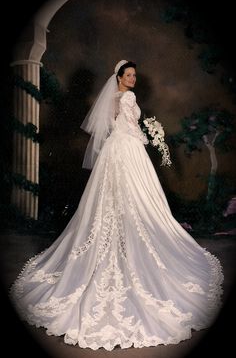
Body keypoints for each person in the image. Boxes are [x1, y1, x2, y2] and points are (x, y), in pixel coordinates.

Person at [10, 60, 224, 351]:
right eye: (130, 75)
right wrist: (148, 134)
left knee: (113, 201)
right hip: (129, 151)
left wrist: (143, 132)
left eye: (135, 76)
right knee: (135, 200)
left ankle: (117, 241)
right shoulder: (129, 97)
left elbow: (110, 127)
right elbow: (129, 127)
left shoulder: (112, 98)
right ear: (119, 77)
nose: (134, 79)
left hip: (114, 151)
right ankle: (128, 244)